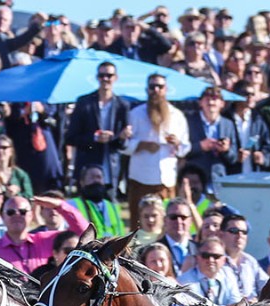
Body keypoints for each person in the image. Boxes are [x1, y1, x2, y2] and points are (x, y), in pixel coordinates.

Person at [123, 73, 189, 221]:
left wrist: (177, 143)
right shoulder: (135, 114)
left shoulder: (177, 115)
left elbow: (185, 148)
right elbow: (123, 145)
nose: (156, 90)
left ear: (166, 90)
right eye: (153, 87)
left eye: (160, 86)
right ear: (147, 90)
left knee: (166, 223)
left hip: (167, 180)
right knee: (138, 224)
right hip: (140, 179)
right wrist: (141, 145)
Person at [66, 59, 130, 190]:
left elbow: (122, 145)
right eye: (102, 76)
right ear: (97, 77)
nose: (105, 79)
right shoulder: (84, 103)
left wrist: (121, 137)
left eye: (109, 76)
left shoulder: (122, 105)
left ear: (116, 78)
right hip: (88, 166)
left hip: (110, 168)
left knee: (110, 207)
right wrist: (94, 139)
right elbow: (70, 137)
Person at [0, 193, 86, 274]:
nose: (17, 215)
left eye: (22, 212)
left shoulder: (43, 240)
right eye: (11, 212)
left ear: (31, 215)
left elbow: (83, 232)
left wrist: (59, 205)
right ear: (2, 216)